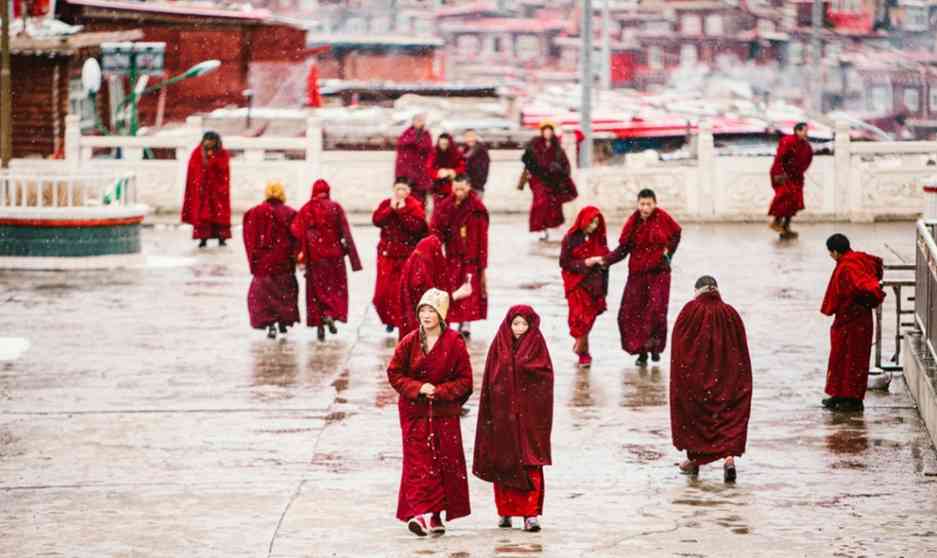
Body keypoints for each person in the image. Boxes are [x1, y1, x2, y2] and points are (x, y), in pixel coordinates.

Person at [387, 288, 473, 537]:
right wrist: (417, 388)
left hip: (443, 413)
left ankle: (435, 515)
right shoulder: (410, 341)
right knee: (418, 464)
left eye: (431, 311)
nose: (426, 315)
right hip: (415, 412)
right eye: (423, 310)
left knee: (443, 463)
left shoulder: (454, 343)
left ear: (441, 315)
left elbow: (465, 381)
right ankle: (419, 514)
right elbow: (394, 374)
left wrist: (442, 391)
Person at [473, 306, 554, 533]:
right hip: (502, 416)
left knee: (530, 462)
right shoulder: (499, 346)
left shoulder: (538, 347)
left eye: (523, 324)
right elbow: (491, 379)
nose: (519, 329)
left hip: (530, 419)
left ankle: (530, 515)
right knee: (505, 462)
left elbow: (545, 379)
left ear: (531, 325)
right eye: (515, 324)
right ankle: (505, 512)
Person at [670, 276, 752, 483]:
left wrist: (684, 376)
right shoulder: (730, 313)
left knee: (695, 418)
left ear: (697, 290)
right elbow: (741, 350)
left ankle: (694, 461)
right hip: (728, 378)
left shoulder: (690, 311)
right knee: (726, 417)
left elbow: (679, 349)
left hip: (695, 379)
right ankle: (729, 459)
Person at [605, 189, 682, 366]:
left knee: (655, 311)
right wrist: (605, 261)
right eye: (642, 204)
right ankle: (641, 352)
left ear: (655, 203)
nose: (645, 208)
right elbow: (623, 249)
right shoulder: (633, 222)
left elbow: (676, 234)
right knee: (630, 313)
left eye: (649, 204)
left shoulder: (663, 218)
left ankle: (653, 347)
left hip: (659, 274)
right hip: (637, 275)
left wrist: (668, 253)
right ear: (638, 204)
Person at [290, 179, 362, 341]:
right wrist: (354, 260)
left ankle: (320, 325)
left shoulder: (307, 209)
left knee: (316, 292)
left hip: (315, 257)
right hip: (335, 257)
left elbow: (295, 230)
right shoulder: (335, 207)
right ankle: (330, 314)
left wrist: (300, 252)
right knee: (335, 289)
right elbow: (346, 233)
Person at [821, 234, 885, 412]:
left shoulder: (848, 266)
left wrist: (861, 299)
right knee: (843, 357)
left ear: (835, 252)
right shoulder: (859, 259)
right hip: (853, 318)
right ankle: (840, 395)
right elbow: (876, 270)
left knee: (852, 359)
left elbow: (865, 285)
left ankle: (853, 399)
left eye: (830, 253)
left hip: (854, 318)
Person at [431, 174, 489, 339]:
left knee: (469, 291)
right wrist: (435, 249)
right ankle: (450, 321)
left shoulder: (477, 208)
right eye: (456, 189)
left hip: (472, 258)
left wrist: (482, 263)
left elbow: (483, 238)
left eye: (462, 189)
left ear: (469, 187)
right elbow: (436, 230)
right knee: (452, 289)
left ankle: (466, 323)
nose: (459, 192)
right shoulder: (445, 207)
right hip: (452, 257)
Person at [242, 181, 300, 339]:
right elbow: (297, 238)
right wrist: (295, 256)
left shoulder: (254, 213)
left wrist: (253, 260)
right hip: (284, 264)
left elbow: (249, 239)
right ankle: (283, 322)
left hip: (263, 265)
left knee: (263, 298)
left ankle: (270, 323)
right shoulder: (291, 213)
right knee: (284, 296)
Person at [372, 178, 428, 334]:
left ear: (408, 191)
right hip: (387, 255)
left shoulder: (415, 206)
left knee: (402, 292)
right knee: (382, 294)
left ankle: (399, 321)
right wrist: (391, 209)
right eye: (397, 189)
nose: (400, 192)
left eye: (403, 189)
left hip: (405, 256)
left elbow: (417, 228)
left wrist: (402, 212)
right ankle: (389, 319)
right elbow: (377, 220)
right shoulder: (386, 203)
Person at [560, 206, 610, 368]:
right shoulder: (571, 238)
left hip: (593, 286)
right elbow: (564, 263)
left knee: (588, 319)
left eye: (596, 223)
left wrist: (602, 266)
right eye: (591, 222)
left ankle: (580, 347)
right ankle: (584, 353)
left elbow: (606, 261)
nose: (593, 226)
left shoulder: (599, 238)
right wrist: (585, 263)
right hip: (576, 284)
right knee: (579, 318)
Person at [397, 235, 471, 340]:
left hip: (412, 327)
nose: (441, 255)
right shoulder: (422, 271)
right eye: (439, 250)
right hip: (422, 331)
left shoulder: (415, 261)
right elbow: (430, 302)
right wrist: (458, 294)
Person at [519, 121, 578, 241]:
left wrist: (558, 169)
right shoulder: (534, 144)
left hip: (553, 180)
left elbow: (565, 164)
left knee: (553, 205)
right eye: (545, 131)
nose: (547, 133)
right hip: (538, 179)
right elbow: (526, 159)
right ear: (542, 132)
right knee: (540, 203)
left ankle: (551, 227)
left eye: (549, 131)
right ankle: (540, 228)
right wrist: (534, 168)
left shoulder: (557, 147)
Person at [181, 131, 231, 247]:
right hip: (203, 191)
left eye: (212, 141)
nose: (209, 143)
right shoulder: (197, 153)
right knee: (203, 216)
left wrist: (212, 159)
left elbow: (223, 169)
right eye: (207, 140)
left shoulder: (222, 153)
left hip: (217, 191)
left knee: (219, 214)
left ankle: (221, 238)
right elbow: (194, 170)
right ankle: (203, 238)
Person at [768, 122, 813, 237]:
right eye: (804, 130)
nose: (806, 133)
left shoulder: (806, 146)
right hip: (782, 175)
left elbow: (807, 160)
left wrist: (799, 172)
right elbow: (779, 158)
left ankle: (786, 227)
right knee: (785, 197)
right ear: (797, 131)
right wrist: (779, 173)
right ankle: (776, 221)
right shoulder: (788, 141)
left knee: (794, 202)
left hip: (796, 177)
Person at [395, 114, 434, 206]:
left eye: (421, 121)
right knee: (407, 199)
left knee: (421, 201)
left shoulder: (426, 135)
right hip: (408, 174)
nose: (419, 123)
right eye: (417, 121)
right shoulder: (407, 133)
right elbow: (402, 149)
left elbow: (429, 151)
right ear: (413, 122)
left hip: (421, 173)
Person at [427, 133, 466, 204]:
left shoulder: (456, 153)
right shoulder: (434, 152)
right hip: (438, 188)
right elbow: (429, 169)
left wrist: (454, 171)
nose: (443, 146)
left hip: (453, 187)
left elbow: (462, 166)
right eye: (441, 144)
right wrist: (438, 173)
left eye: (445, 144)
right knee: (439, 209)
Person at [463, 129, 491, 198]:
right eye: (468, 136)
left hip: (476, 188)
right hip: (466, 186)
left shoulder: (481, 150)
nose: (470, 139)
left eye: (472, 136)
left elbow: (482, 170)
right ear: (465, 138)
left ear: (475, 137)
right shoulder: (465, 150)